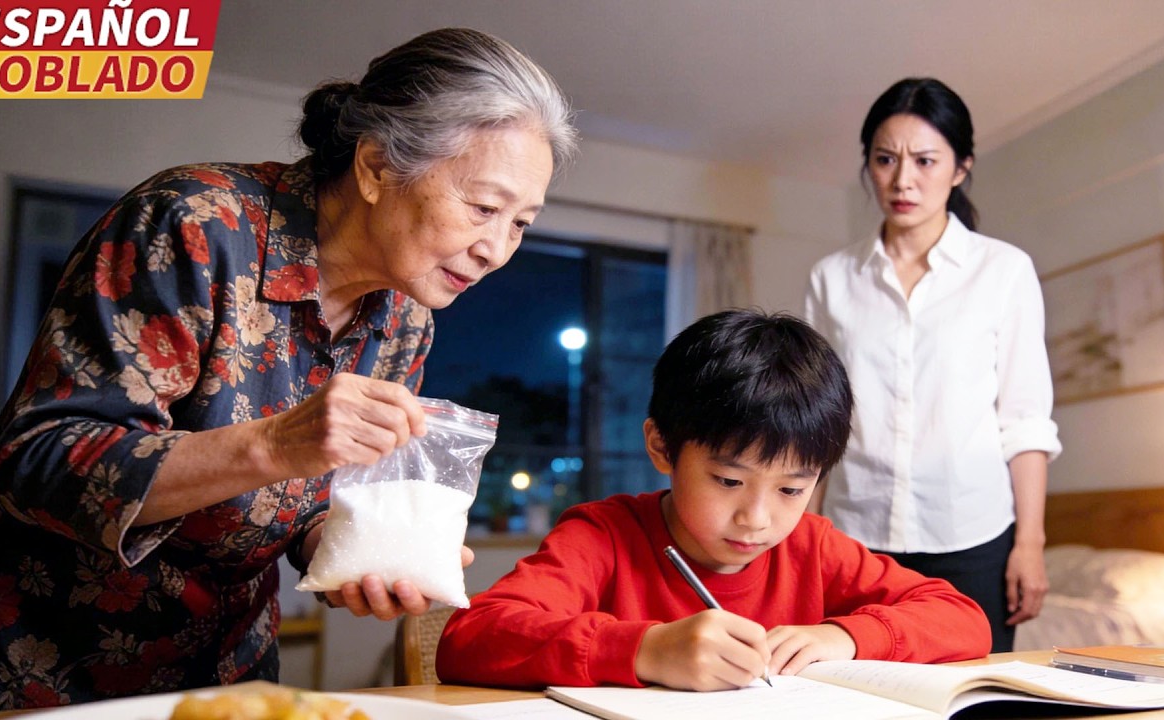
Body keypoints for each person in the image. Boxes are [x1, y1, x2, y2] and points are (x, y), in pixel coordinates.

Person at [0, 28, 576, 711]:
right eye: (484, 207)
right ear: (374, 167)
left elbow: (310, 505)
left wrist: (356, 556)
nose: (496, 249)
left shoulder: (405, 320)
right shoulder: (193, 226)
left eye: (521, 224)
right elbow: (39, 460)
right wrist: (275, 443)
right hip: (31, 664)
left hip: (225, 672)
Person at [436, 309, 991, 691]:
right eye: (728, 481)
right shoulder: (603, 535)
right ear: (662, 447)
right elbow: (469, 639)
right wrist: (645, 649)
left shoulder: (813, 546)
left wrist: (845, 635)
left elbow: (963, 619)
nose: (757, 518)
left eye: (792, 489)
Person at [802, 77, 1062, 653]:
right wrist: (799, 539)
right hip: (854, 539)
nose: (903, 180)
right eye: (885, 159)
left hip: (972, 533)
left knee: (975, 697)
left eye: (925, 160)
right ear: (867, 164)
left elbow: (1024, 420)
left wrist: (1030, 544)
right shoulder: (831, 280)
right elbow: (815, 424)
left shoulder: (1003, 270)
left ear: (961, 167)